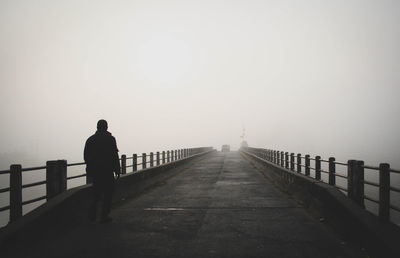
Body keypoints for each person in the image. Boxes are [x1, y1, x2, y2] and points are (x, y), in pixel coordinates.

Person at [84, 119, 121, 223]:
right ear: (106, 127)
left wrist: (91, 167)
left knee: (96, 194)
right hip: (107, 171)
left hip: (96, 172)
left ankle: (92, 216)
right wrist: (117, 170)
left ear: (97, 127)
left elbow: (86, 156)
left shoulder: (90, 139)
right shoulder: (110, 139)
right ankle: (104, 216)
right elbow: (114, 156)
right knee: (108, 194)